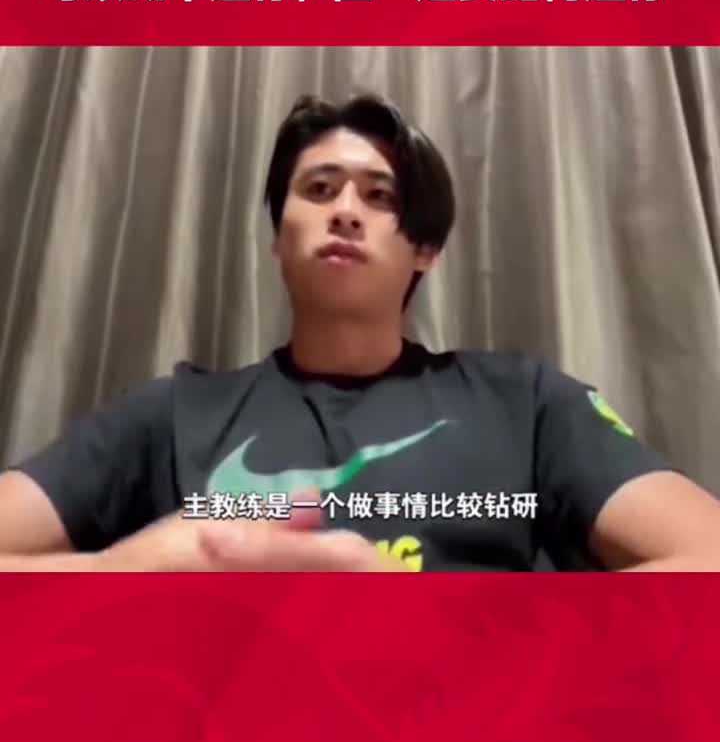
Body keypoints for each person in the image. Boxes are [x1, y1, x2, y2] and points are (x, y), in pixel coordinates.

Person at [1, 94, 719, 573]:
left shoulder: (525, 405)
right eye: (318, 189)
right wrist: (125, 572)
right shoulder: (174, 414)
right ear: (277, 239)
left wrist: (453, 630)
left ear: (425, 249)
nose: (345, 210)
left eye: (379, 197)